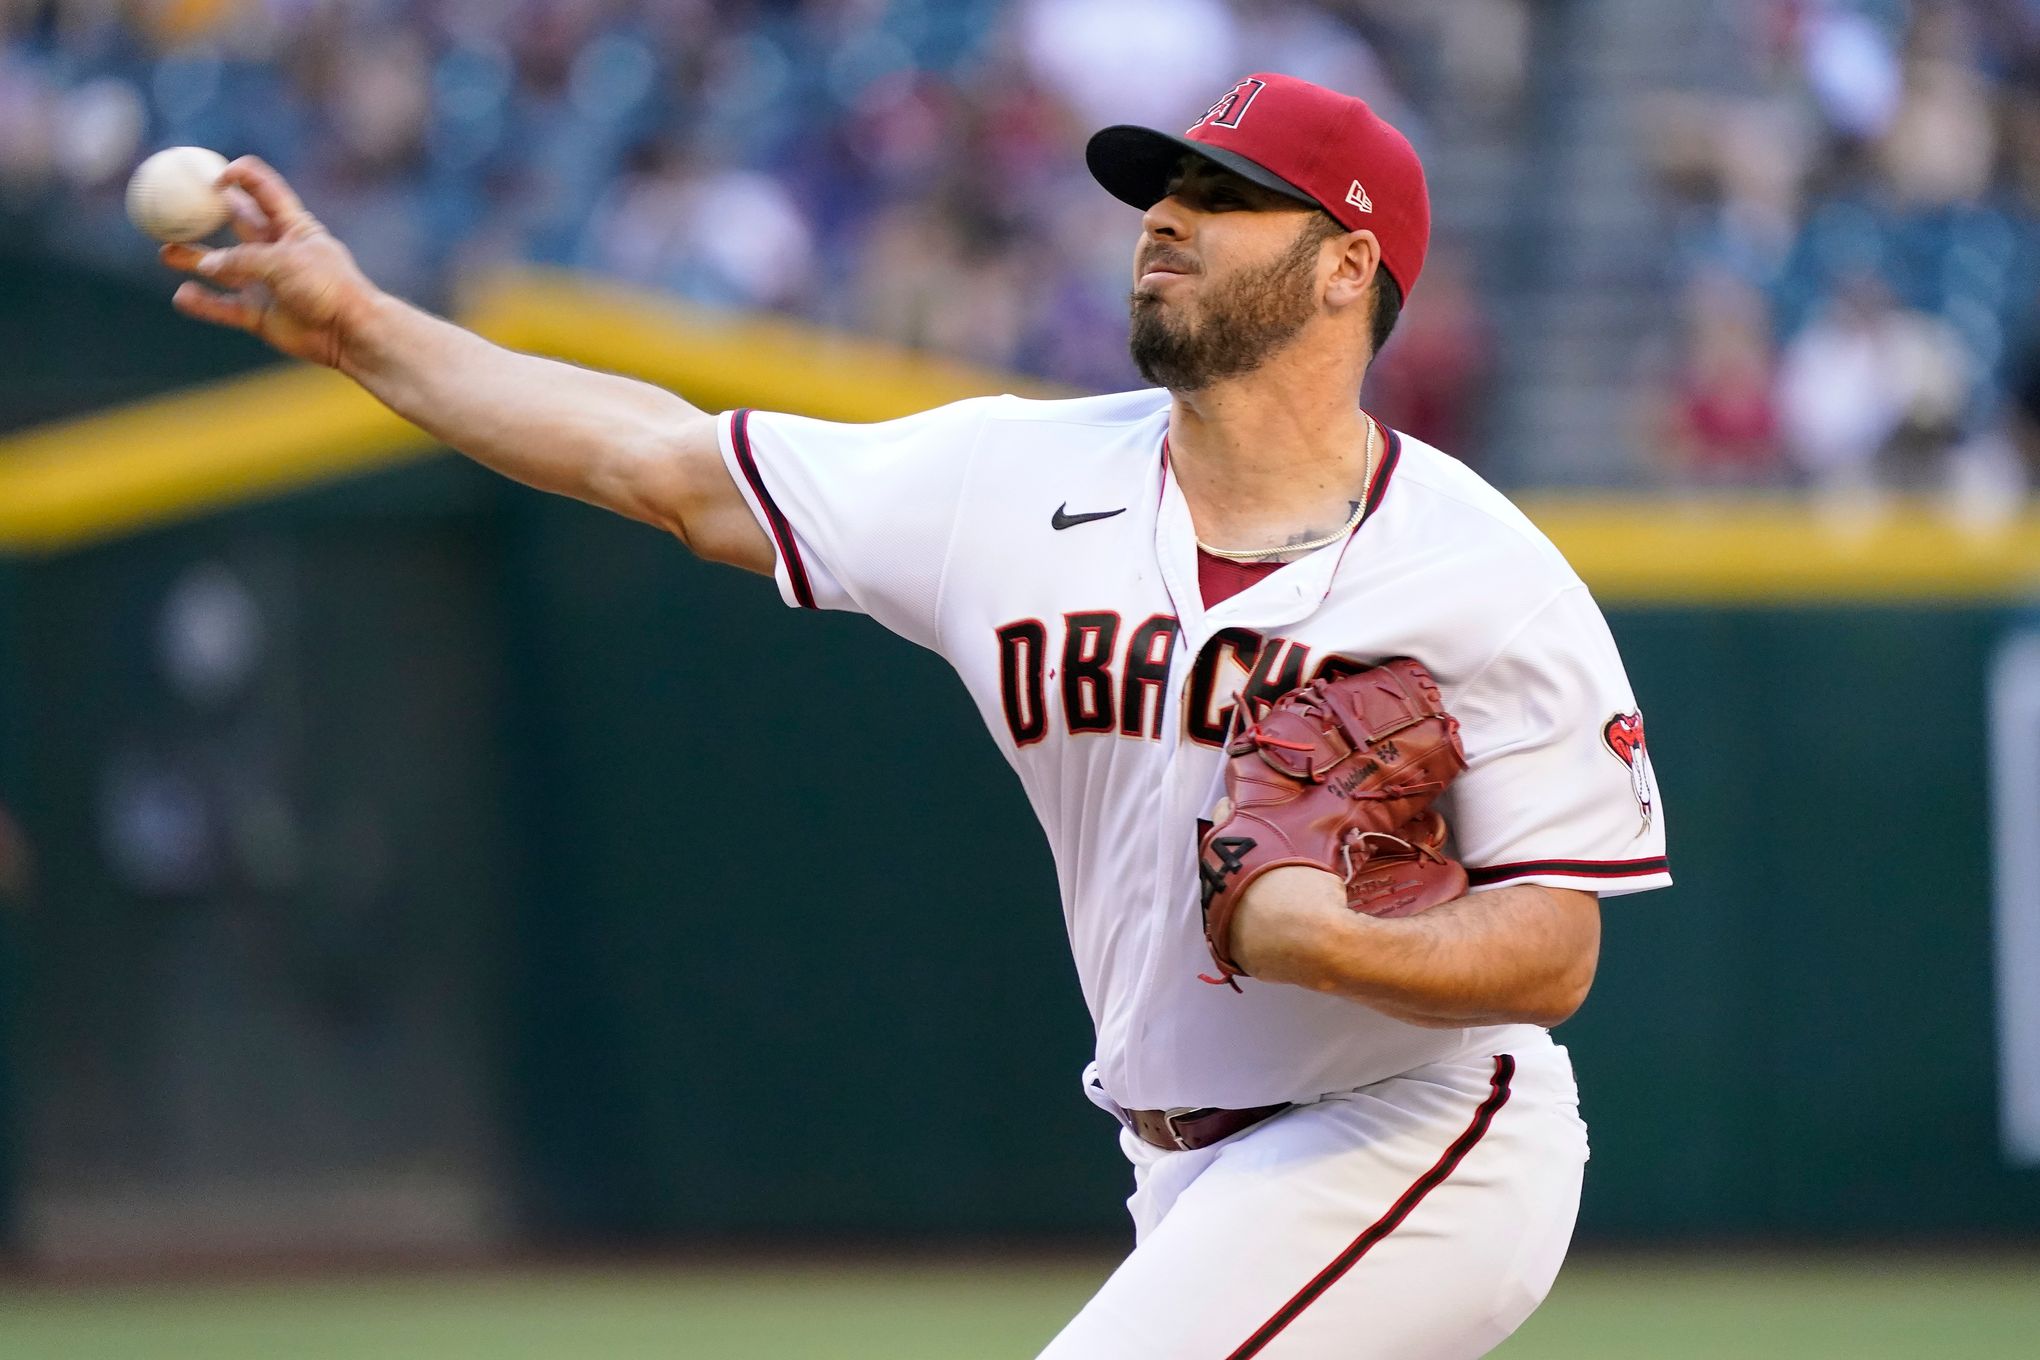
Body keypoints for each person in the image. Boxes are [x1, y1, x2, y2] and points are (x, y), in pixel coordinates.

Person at [160, 71, 1669, 1360]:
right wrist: (365, 329)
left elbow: (1557, 949)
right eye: (1163, 189)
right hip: (1178, 1166)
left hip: (1425, 1134)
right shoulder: (1010, 482)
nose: (1165, 218)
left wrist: (1326, 939)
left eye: (1225, 196)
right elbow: (663, 465)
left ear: (1348, 266)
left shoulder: (1484, 579)